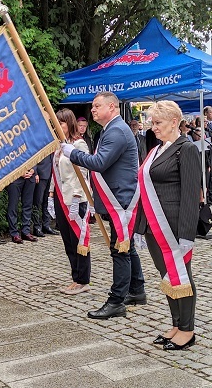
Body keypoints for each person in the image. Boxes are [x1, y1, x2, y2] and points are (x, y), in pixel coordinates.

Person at [61, 91, 146, 319]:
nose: (93, 110)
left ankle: (117, 301)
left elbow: (99, 163)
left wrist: (73, 154)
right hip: (118, 198)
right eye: (93, 107)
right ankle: (137, 290)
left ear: (112, 107)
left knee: (119, 250)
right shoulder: (112, 129)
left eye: (98, 106)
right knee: (126, 247)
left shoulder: (116, 130)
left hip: (121, 200)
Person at [135, 100, 200, 350]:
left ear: (175, 122)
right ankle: (176, 323)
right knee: (167, 276)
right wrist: (141, 226)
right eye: (152, 122)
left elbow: (191, 194)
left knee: (182, 276)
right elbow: (144, 190)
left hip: (173, 226)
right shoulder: (156, 150)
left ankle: (187, 329)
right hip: (153, 225)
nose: (153, 127)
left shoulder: (187, 149)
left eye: (158, 122)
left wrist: (186, 234)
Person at [51, 108, 91, 295]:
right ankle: (75, 277)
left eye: (62, 122)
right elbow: (56, 172)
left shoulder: (79, 144)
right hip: (61, 196)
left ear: (70, 123)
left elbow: (83, 173)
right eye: (57, 123)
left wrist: (76, 197)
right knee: (67, 239)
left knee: (78, 239)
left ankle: (83, 279)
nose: (59, 126)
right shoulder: (59, 145)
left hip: (76, 198)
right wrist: (51, 194)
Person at [6, 168, 39, 243]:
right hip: (14, 178)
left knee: (28, 205)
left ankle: (26, 231)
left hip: (30, 178)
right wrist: (19, 172)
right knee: (13, 206)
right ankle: (14, 233)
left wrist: (33, 169)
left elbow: (35, 157)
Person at [32, 154, 56, 236]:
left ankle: (46, 225)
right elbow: (33, 156)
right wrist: (35, 172)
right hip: (41, 173)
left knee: (47, 201)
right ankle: (37, 227)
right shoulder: (39, 141)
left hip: (51, 174)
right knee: (38, 202)